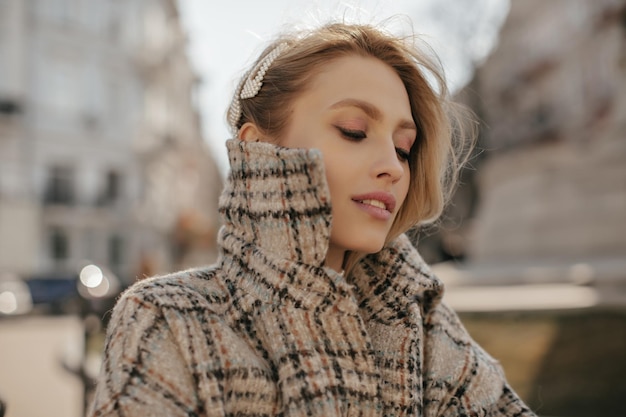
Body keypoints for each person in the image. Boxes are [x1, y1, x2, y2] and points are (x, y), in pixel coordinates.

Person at [88, 21, 536, 416]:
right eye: (354, 131)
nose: (394, 167)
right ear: (257, 147)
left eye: (403, 148)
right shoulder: (167, 319)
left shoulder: (426, 328)